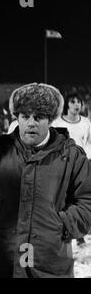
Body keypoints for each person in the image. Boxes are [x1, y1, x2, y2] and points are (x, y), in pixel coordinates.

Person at [0, 83, 91, 278]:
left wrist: (61, 224)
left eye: (38, 117)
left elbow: (87, 201)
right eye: (25, 116)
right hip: (3, 257)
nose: (31, 123)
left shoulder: (72, 155)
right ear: (17, 118)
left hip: (49, 258)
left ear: (50, 120)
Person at [52, 92, 91, 247]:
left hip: (83, 165)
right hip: (64, 166)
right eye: (73, 102)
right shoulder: (57, 123)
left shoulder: (86, 122)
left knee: (81, 199)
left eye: (79, 102)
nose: (76, 105)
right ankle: (64, 230)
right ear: (67, 104)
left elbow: (88, 142)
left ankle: (80, 233)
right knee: (64, 199)